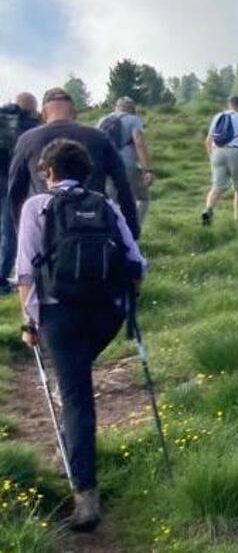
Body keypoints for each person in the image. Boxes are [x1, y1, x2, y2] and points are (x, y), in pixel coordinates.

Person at [16, 138, 147, 532]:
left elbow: (25, 273)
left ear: (49, 172)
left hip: (61, 315)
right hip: (106, 314)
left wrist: (30, 322)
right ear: (86, 172)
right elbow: (136, 263)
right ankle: (73, 453)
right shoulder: (104, 205)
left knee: (77, 398)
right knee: (75, 382)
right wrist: (124, 307)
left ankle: (86, 497)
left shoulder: (37, 206)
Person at [8, 88, 140, 239]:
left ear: (43, 114)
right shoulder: (98, 137)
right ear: (74, 111)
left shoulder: (27, 140)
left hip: (47, 229)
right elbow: (123, 184)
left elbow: (16, 193)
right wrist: (131, 231)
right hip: (95, 227)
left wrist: (22, 234)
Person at [0, 93, 40, 295]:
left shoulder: (1, 118)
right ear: (30, 107)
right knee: (11, 230)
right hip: (11, 181)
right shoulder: (28, 124)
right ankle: (2, 279)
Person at [97, 97, 155, 229]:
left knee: (111, 202)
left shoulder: (102, 120)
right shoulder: (133, 120)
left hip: (105, 167)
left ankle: (110, 233)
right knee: (143, 197)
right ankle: (133, 230)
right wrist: (148, 169)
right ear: (132, 109)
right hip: (127, 166)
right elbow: (139, 144)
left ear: (116, 107)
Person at [202, 96, 238, 224]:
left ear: (229, 105)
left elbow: (208, 140)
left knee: (217, 186)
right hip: (235, 152)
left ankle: (208, 210)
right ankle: (237, 220)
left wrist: (211, 157)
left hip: (217, 152)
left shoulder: (218, 116)